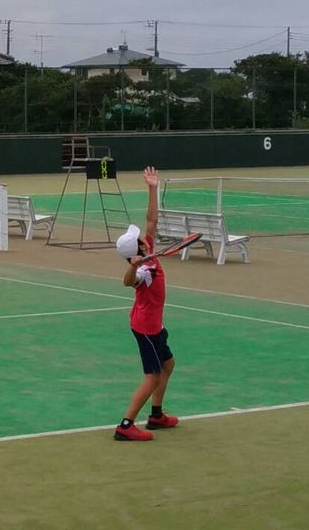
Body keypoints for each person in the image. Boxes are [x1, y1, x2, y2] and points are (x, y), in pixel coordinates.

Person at [113, 165, 179, 441]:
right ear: (136, 251)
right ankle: (125, 426)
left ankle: (156, 415)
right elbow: (127, 282)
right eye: (139, 239)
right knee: (153, 375)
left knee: (168, 365)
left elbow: (151, 220)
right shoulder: (143, 272)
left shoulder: (148, 248)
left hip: (153, 323)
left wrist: (152, 187)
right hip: (146, 328)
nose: (144, 235)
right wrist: (134, 266)